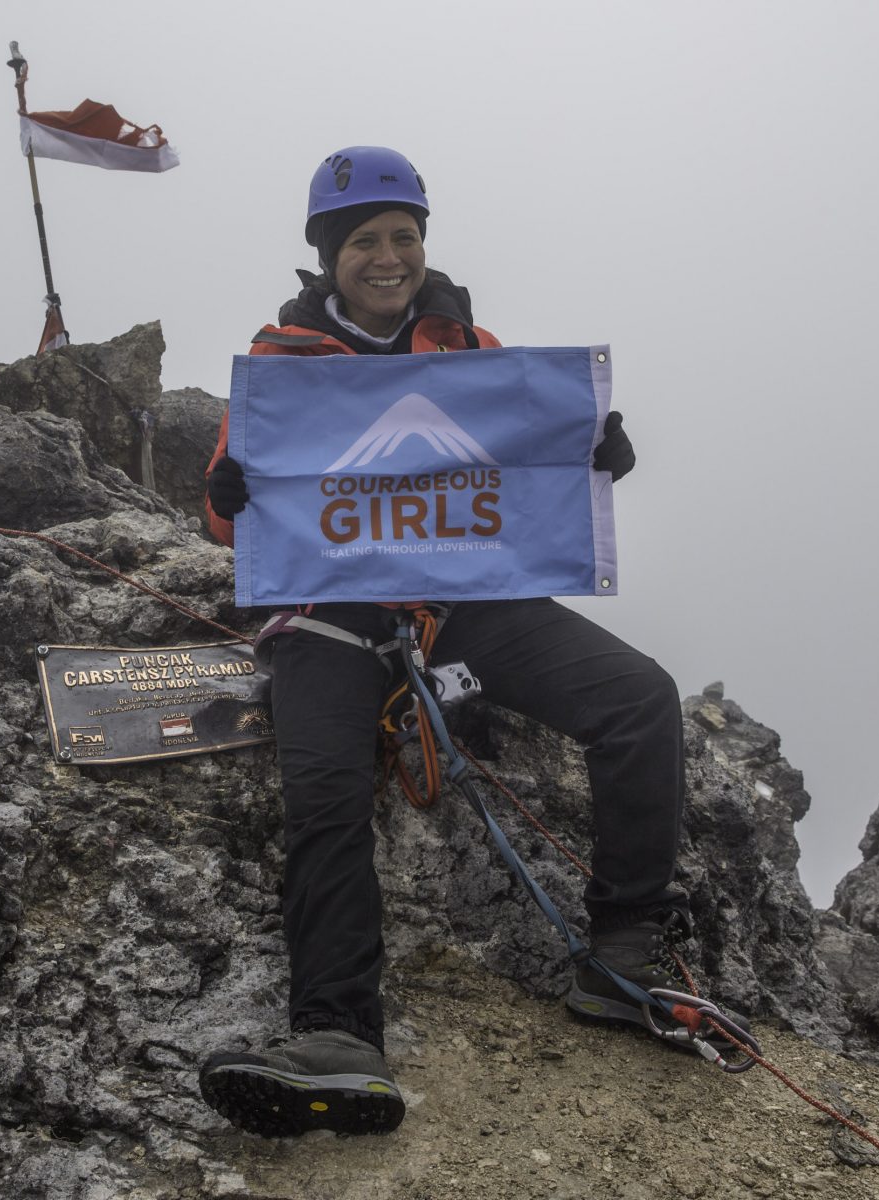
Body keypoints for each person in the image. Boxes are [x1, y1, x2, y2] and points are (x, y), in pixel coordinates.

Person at [197, 146, 695, 1139]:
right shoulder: (282, 363)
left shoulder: (472, 348)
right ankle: (337, 1033)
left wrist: (591, 456)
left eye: (404, 238)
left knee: (638, 700)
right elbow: (225, 513)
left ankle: (626, 953)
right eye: (364, 242)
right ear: (328, 256)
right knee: (325, 788)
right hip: (331, 615)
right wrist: (226, 500)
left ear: (424, 245)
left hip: (464, 606)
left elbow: (528, 470)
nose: (387, 258)